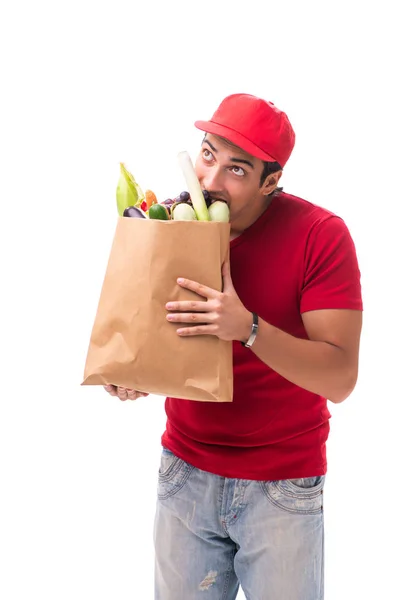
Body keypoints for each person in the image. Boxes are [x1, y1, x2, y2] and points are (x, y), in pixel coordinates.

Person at [104, 93, 363, 599]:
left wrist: (248, 328)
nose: (210, 181)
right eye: (207, 155)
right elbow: (160, 342)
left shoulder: (321, 236)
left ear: (272, 181)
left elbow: (341, 378)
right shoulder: (167, 226)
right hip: (184, 473)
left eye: (237, 170)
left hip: (282, 486)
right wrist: (131, 375)